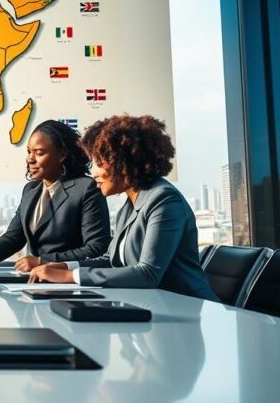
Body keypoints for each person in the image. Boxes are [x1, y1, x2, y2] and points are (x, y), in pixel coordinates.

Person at [27, 115, 219, 301]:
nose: (94, 173)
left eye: (100, 164)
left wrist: (71, 277)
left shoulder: (164, 199)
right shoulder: (129, 205)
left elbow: (148, 273)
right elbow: (111, 260)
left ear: (125, 163)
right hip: (152, 305)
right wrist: (64, 266)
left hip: (188, 308)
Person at [0, 120, 111, 273]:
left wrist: (44, 261)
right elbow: (13, 237)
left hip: (69, 284)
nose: (30, 159)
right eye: (29, 152)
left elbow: (96, 248)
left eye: (39, 153)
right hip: (34, 283)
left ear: (62, 154)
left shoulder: (86, 188)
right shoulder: (30, 190)